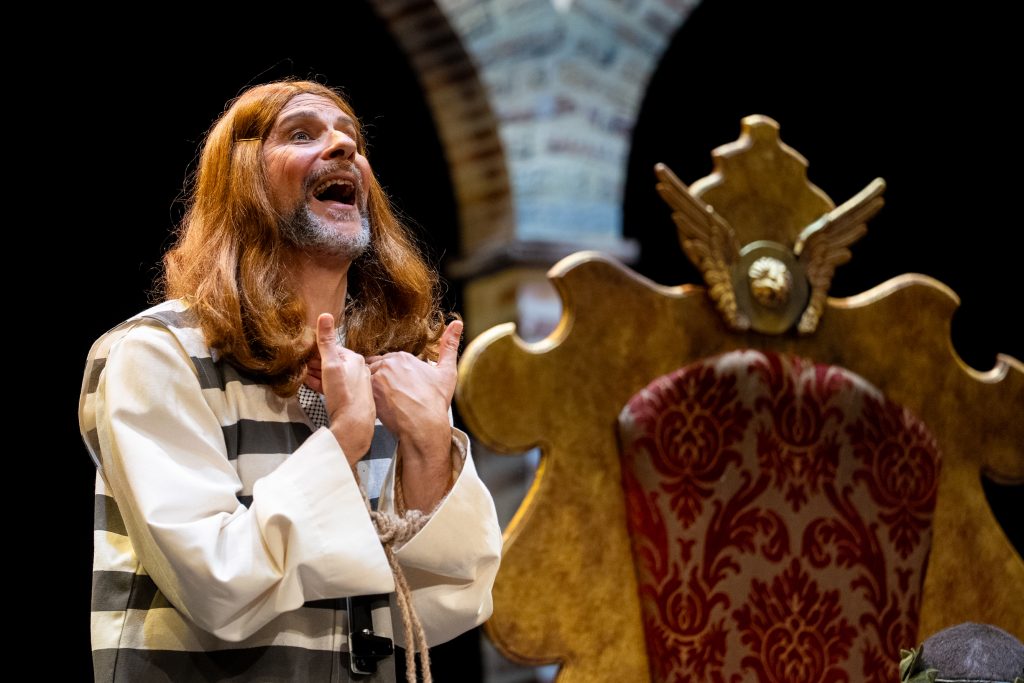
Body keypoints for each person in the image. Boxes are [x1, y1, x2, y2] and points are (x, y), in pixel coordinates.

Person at [78, 80, 502, 683]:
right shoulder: (159, 354)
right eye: (302, 134)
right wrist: (343, 439)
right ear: (243, 181)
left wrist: (429, 442)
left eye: (352, 140)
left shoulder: (390, 377)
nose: (343, 148)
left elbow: (441, 606)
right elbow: (216, 584)